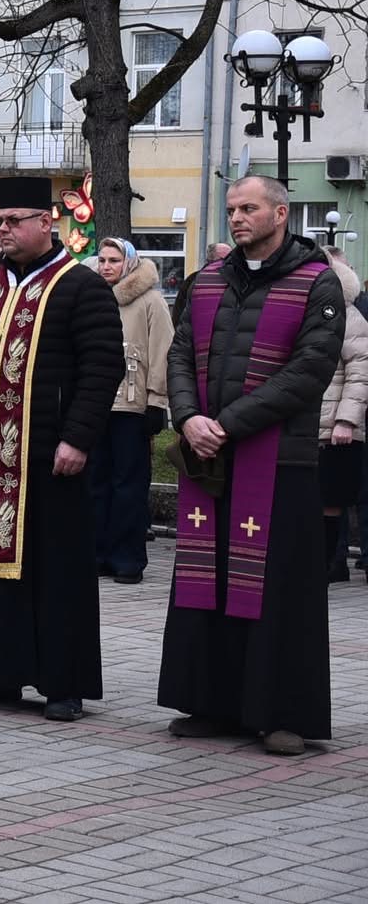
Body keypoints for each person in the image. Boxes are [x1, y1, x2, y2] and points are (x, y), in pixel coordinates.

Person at [160, 176, 344, 756]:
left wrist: (227, 424)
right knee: (208, 580)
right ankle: (211, 702)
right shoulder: (208, 279)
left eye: (249, 208)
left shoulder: (318, 282)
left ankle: (282, 712)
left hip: (279, 459)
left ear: (281, 213)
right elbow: (181, 353)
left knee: (277, 590)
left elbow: (310, 371)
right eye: (233, 209)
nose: (237, 218)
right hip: (208, 456)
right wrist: (188, 417)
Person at [0, 177, 121, 722]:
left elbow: (102, 368)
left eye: (14, 220)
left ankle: (63, 683)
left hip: (45, 458)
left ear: (47, 223)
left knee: (52, 572)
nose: (3, 229)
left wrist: (77, 438)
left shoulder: (80, 286)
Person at [95, 238, 171, 584]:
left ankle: (127, 558)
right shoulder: (94, 297)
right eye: (102, 260)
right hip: (96, 404)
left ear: (129, 263)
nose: (107, 266)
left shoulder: (151, 300)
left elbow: (162, 351)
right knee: (95, 482)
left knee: (129, 485)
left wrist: (157, 400)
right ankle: (97, 554)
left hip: (132, 404)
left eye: (113, 260)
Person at [316, 257, 368, 581]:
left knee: (330, 501)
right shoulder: (309, 315)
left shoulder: (350, 318)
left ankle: (326, 566)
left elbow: (360, 373)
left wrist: (346, 421)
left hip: (335, 429)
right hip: (305, 427)